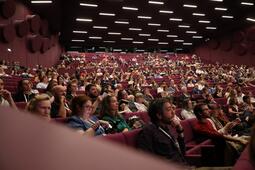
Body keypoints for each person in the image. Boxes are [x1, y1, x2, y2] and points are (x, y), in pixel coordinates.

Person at [136, 98, 186, 163]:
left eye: (172, 109)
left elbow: (182, 153)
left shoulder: (166, 128)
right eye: (169, 109)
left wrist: (180, 130)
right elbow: (147, 161)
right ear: (159, 115)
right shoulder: (147, 132)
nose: (173, 112)